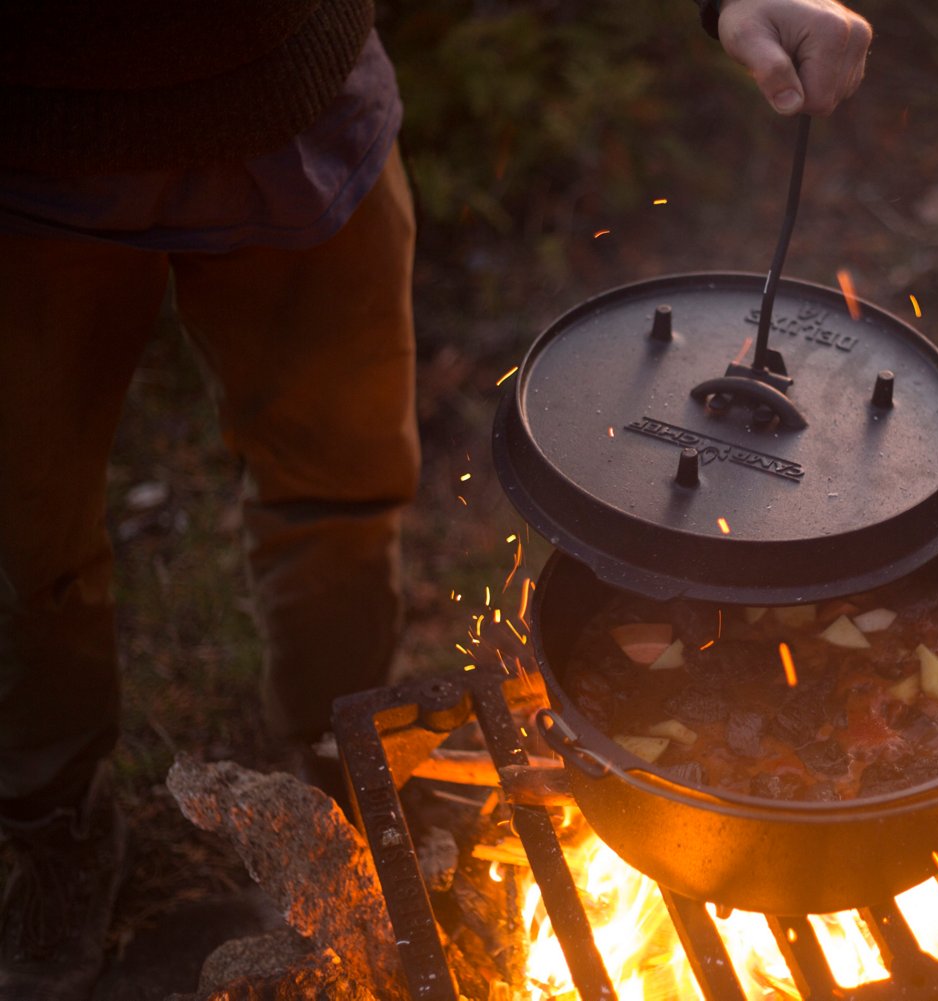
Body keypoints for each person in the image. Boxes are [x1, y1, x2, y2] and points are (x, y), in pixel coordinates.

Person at [0, 0, 871, 996]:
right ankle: (53, 827)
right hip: (27, 158)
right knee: (31, 540)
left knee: (341, 486)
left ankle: (336, 765)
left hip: (296, 105)